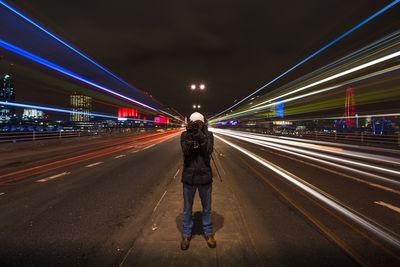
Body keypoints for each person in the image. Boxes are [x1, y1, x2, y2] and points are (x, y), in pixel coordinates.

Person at [180, 112, 216, 250]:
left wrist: (199, 135)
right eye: (194, 123)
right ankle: (186, 234)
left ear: (203, 123)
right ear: (189, 123)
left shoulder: (208, 135)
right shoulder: (184, 135)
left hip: (205, 177)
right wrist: (191, 134)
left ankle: (208, 233)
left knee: (207, 209)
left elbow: (208, 151)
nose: (196, 126)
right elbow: (186, 151)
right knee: (187, 209)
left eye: (198, 123)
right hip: (189, 178)